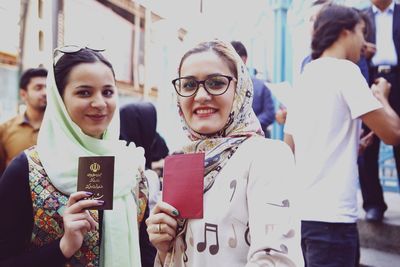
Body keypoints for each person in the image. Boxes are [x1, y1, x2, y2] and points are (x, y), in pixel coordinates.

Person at [146, 39, 300, 266]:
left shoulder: (267, 156)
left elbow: (275, 259)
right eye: (188, 85)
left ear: (239, 89)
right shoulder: (182, 161)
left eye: (216, 83)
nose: (200, 96)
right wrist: (164, 248)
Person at [0, 46, 148, 267]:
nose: (99, 103)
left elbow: (145, 251)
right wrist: (63, 247)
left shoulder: (130, 168)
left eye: (107, 92)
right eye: (84, 92)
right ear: (59, 100)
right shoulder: (27, 170)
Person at [283, 5, 400, 267]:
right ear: (345, 32)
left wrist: (351, 147)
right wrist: (381, 95)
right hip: (333, 221)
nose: (365, 42)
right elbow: (393, 134)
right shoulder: (346, 72)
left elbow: (289, 148)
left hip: (303, 216)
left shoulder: (306, 76)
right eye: (361, 31)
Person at [358, 0, 400, 222]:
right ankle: (373, 204)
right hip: (369, 79)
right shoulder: (361, 17)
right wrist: (362, 50)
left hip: (397, 79)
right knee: (368, 142)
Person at [0, 67, 47, 176]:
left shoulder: (62, 128)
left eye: (47, 87)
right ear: (23, 94)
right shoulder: (5, 129)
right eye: (38, 88)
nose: (45, 92)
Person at [230, 41, 275, 138]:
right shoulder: (222, 87)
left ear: (244, 59)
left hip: (258, 139)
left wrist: (250, 125)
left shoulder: (261, 86)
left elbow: (270, 113)